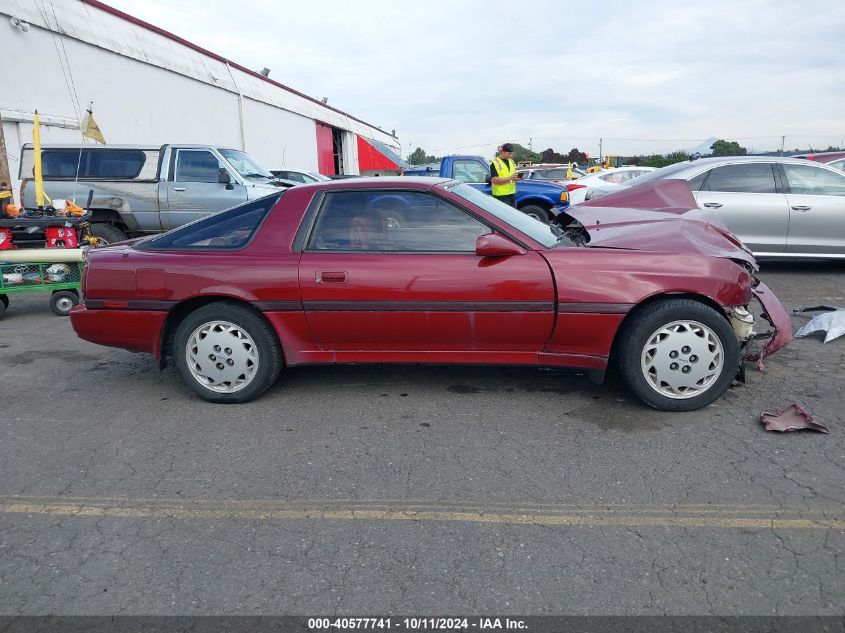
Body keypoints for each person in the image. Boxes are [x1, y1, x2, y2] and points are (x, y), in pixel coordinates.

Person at [489, 143, 520, 207]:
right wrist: (510, 178)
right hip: (500, 197)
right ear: (503, 152)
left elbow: (513, 177)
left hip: (512, 196)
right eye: (509, 153)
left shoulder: (511, 162)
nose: (511, 155)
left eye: (511, 153)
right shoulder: (494, 163)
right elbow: (494, 180)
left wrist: (518, 178)